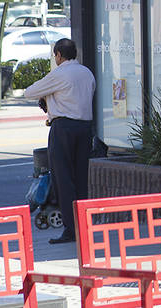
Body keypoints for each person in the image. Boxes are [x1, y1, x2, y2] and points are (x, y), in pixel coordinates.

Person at [23, 38, 95, 245]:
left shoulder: (59, 73)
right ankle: (83, 225)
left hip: (63, 128)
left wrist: (50, 98)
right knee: (81, 178)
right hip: (85, 128)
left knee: (63, 179)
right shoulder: (87, 73)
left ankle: (71, 229)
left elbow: (30, 92)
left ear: (58, 55)